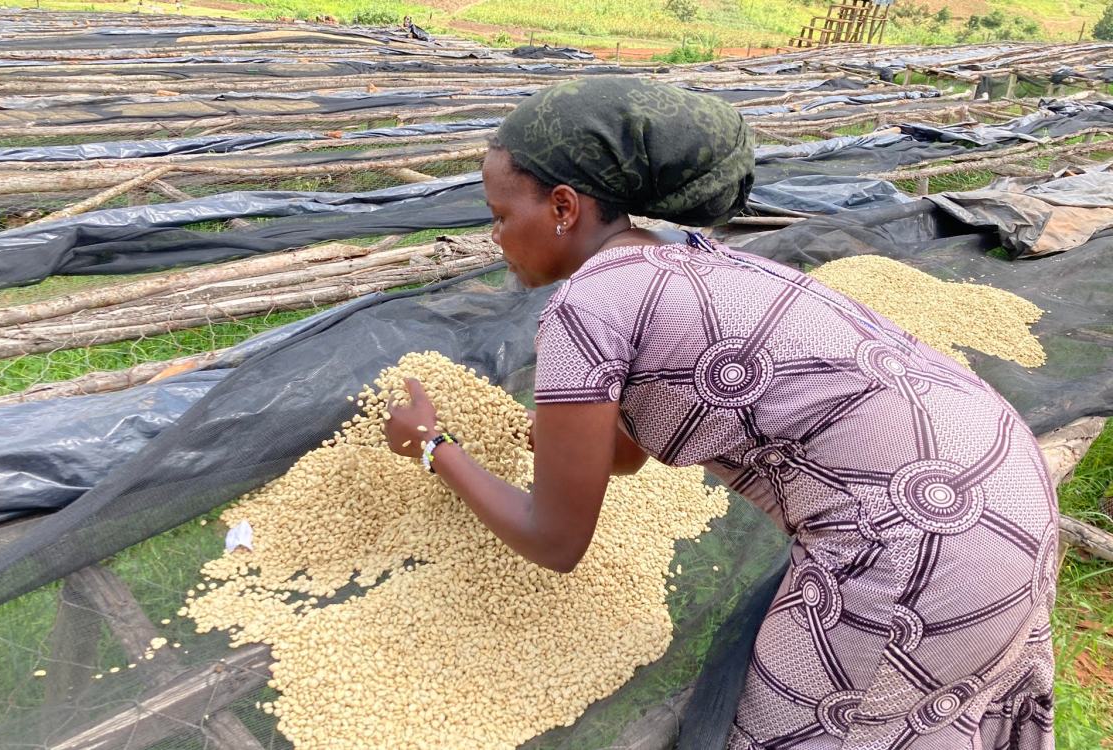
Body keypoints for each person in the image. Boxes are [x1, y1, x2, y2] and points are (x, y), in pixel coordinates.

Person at [383, 77, 1057, 749]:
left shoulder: (584, 307)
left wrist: (431, 446)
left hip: (922, 537)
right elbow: (630, 452)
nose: (496, 237)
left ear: (563, 207)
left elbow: (556, 542)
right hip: (1003, 484)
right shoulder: (687, 262)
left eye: (501, 216)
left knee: (796, 727)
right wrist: (563, 443)